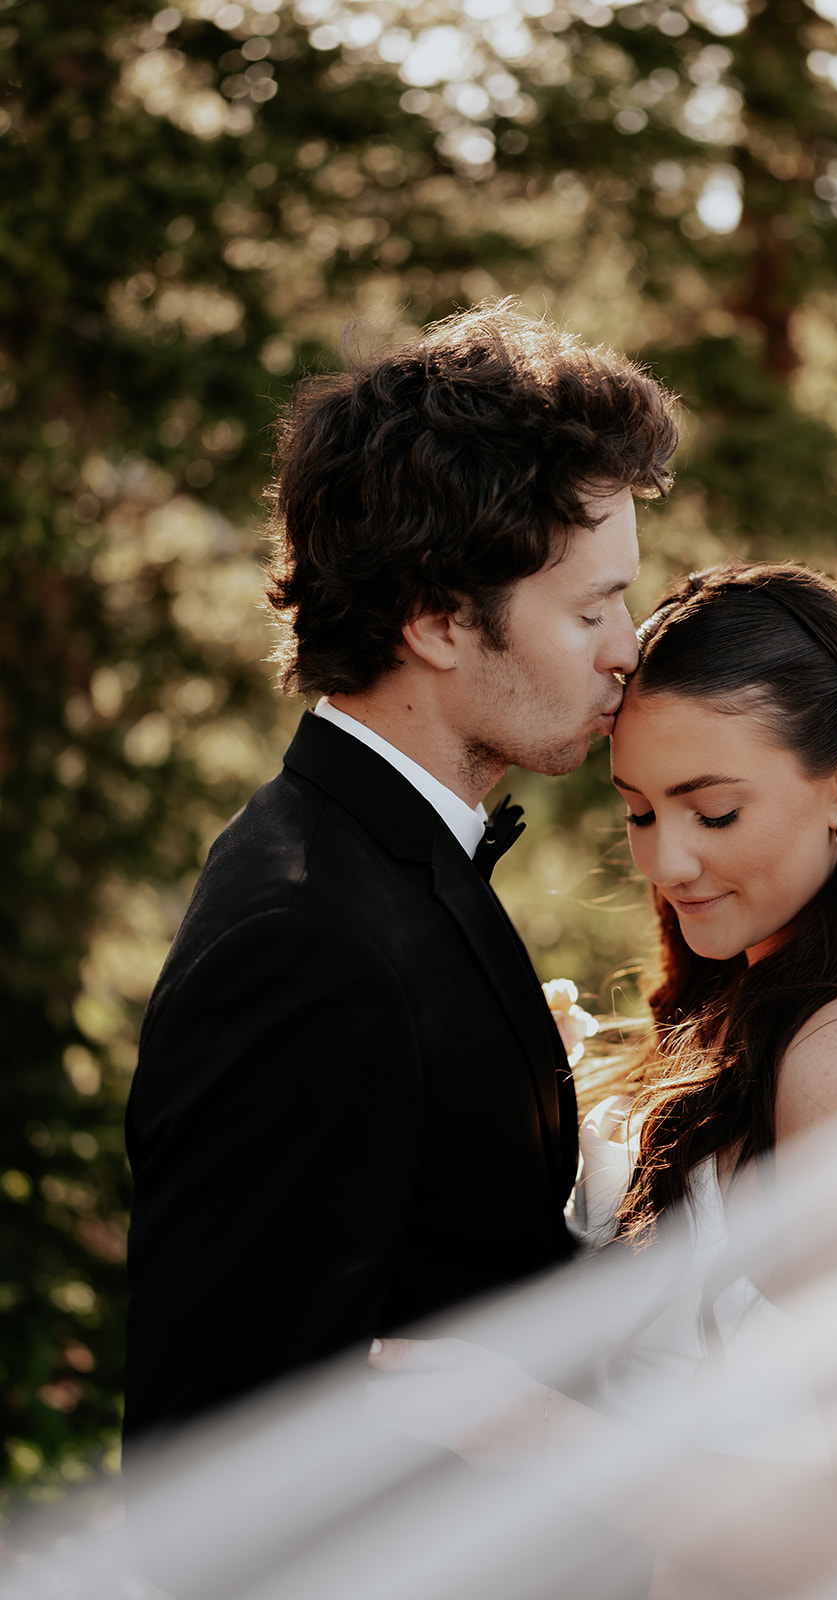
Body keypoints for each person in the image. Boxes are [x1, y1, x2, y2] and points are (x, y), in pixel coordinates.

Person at [369, 562, 837, 1597]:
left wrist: (531, 1427)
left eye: (713, 812)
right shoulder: (754, 1008)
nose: (666, 862)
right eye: (641, 811)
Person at [121, 303, 679, 1452]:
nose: (627, 645)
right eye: (589, 607)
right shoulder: (305, 943)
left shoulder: (382, 858)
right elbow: (216, 1470)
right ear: (433, 616)